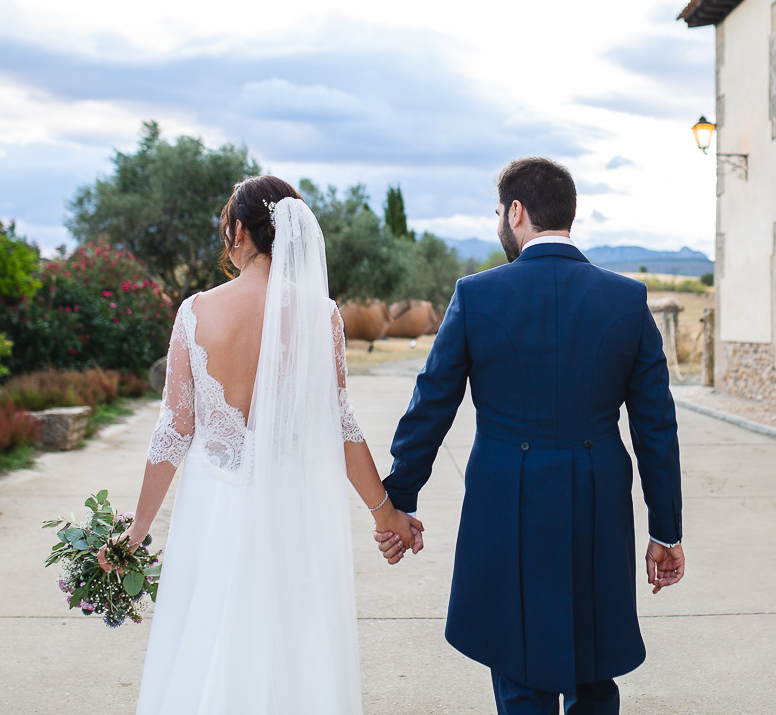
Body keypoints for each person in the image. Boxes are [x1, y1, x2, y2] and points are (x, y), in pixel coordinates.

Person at [376, 157, 685, 715]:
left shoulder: (476, 296)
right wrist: (666, 529)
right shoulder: (627, 299)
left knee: (519, 671)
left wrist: (398, 500)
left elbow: (431, 405)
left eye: (499, 211)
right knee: (594, 671)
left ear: (517, 212)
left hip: (505, 503)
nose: (499, 220)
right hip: (598, 502)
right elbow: (656, 427)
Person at [106, 175, 421, 714]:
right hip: (288, 515)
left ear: (237, 230)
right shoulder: (321, 317)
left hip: (213, 511)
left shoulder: (197, 312)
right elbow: (342, 427)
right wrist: (386, 514)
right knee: (288, 650)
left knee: (209, 644)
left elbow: (173, 432)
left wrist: (134, 532)